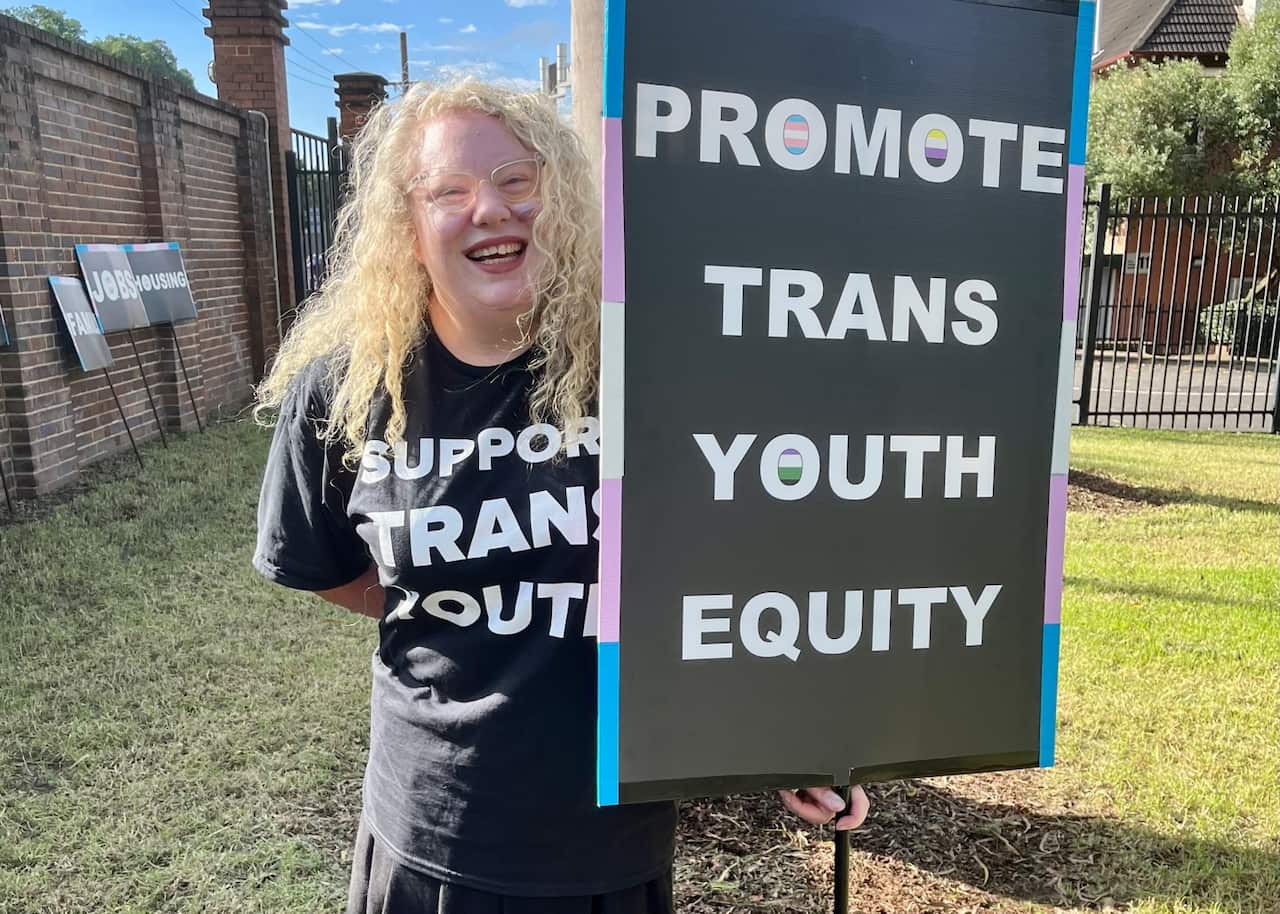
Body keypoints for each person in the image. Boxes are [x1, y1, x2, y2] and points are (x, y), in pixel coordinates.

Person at [253, 79, 870, 914]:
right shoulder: (346, 390)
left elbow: (728, 577)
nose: (490, 209)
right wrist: (467, 603)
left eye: (517, 180)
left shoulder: (652, 376)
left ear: (566, 203)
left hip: (609, 836)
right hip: (432, 832)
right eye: (449, 191)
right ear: (407, 227)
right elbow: (326, 568)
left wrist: (782, 738)